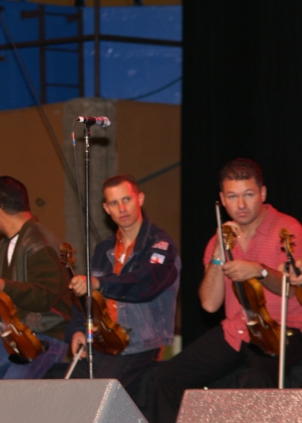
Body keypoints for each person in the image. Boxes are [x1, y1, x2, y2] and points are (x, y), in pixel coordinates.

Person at [146, 158, 302, 423]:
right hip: (236, 331)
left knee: (257, 381)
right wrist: (219, 253)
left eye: (248, 195)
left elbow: (291, 289)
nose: (241, 205)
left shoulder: (289, 230)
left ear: (262, 194)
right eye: (232, 196)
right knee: (164, 378)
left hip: (282, 330)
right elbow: (208, 304)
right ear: (223, 199)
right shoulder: (219, 237)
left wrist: (259, 271)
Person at [63, 174, 179, 398]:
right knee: (67, 393)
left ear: (140, 199)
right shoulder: (103, 248)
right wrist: (78, 328)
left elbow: (143, 284)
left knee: (98, 397)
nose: (122, 208)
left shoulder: (160, 244)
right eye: (114, 203)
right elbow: (87, 298)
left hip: (139, 343)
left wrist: (98, 283)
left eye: (127, 199)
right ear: (106, 208)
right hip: (101, 339)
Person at [0, 176, 72, 380]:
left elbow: (45, 296)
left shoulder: (42, 244)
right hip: (10, 338)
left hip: (45, 337)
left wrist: (2, 285)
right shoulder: (3, 247)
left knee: (13, 389)